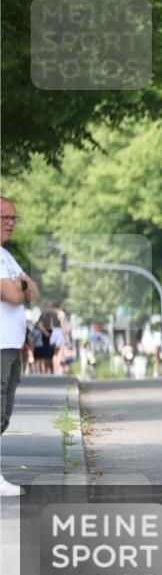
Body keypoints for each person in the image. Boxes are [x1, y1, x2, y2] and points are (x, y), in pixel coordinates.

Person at [1, 196, 40, 495]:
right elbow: (14, 295)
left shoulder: (7, 257)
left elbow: (32, 290)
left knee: (5, 413)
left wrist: (22, 285)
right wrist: (20, 286)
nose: (11, 223)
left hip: (12, 346)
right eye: (5, 218)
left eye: (14, 217)